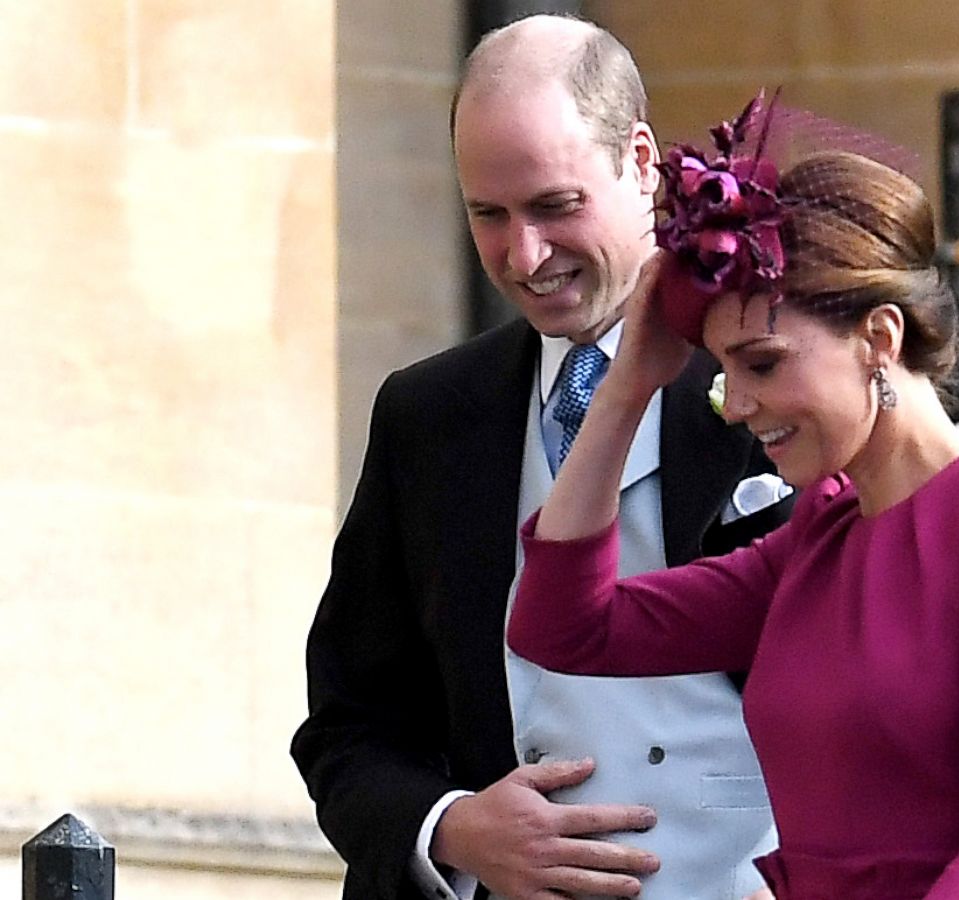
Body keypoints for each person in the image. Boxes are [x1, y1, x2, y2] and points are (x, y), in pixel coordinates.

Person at [508, 97, 959, 900]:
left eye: (763, 364)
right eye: (728, 371)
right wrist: (628, 388)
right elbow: (563, 628)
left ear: (880, 340)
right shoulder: (820, 541)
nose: (735, 405)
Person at [290, 16, 791, 900]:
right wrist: (452, 827)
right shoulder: (429, 415)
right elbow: (349, 725)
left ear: (642, 163)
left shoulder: (782, 373)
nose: (524, 255)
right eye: (489, 214)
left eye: (556, 206)